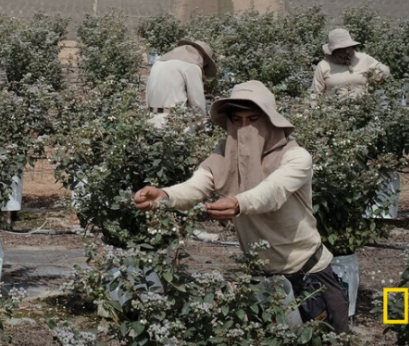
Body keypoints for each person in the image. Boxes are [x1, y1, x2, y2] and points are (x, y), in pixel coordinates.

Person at [133, 80, 350, 333]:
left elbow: (273, 191)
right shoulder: (223, 156)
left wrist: (239, 203)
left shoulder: (295, 156)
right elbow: (197, 184)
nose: (245, 128)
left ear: (270, 120)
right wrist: (165, 195)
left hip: (310, 274)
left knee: (330, 338)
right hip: (262, 277)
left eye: (253, 119)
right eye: (238, 120)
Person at [145, 39, 216, 126]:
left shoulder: (158, 63)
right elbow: (197, 105)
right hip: (174, 122)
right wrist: (202, 126)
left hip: (151, 119)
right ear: (204, 59)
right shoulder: (191, 67)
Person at [312, 28, 390, 98]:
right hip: (333, 111)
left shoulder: (363, 59)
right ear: (333, 50)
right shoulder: (323, 66)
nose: (347, 51)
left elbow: (383, 71)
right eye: (341, 49)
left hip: (362, 110)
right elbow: (315, 93)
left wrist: (379, 75)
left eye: (348, 47)